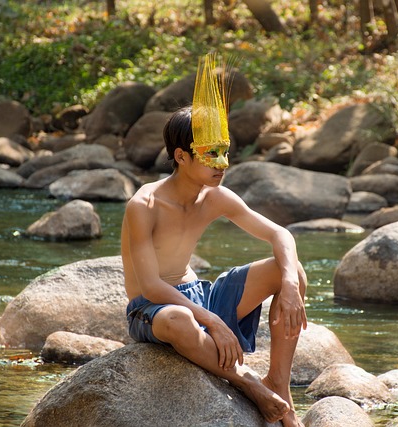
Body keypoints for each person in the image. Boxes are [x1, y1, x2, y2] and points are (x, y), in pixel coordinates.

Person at [121, 54, 308, 427]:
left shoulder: (216, 196)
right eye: (211, 154)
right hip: (154, 309)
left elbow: (279, 233)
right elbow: (152, 285)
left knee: (292, 270)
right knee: (178, 319)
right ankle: (248, 381)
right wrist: (213, 322)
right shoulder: (145, 204)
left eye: (225, 151)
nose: (222, 163)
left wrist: (287, 284)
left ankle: (279, 385)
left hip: (202, 296)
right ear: (181, 156)